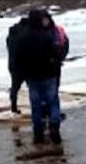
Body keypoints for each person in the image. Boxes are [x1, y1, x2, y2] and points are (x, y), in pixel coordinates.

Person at [14, 9, 62, 144]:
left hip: (32, 77)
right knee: (53, 102)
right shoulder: (46, 36)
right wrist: (55, 65)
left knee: (36, 105)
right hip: (48, 75)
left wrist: (23, 73)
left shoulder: (22, 37)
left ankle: (38, 131)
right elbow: (56, 54)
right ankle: (54, 126)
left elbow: (18, 58)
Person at [6, 17, 29, 113]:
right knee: (32, 86)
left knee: (15, 87)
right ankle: (40, 108)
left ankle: (13, 107)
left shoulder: (11, 35)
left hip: (13, 64)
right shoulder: (26, 34)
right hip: (25, 64)